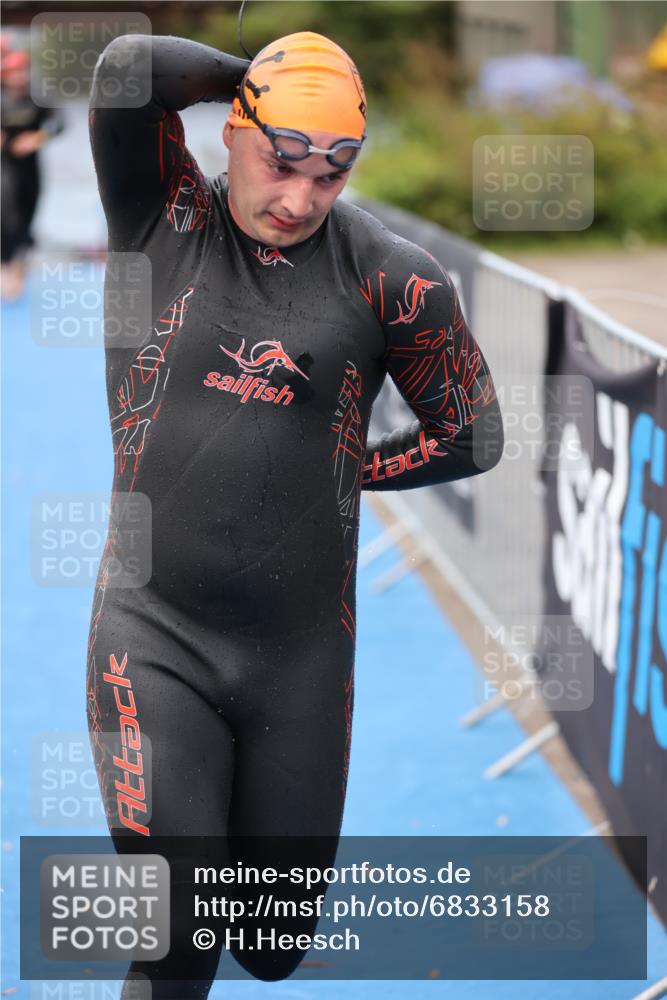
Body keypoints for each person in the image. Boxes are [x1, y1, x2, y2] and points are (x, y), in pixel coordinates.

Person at [86, 30, 504, 997]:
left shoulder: (393, 280)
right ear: (234, 133)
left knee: (268, 947)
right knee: (175, 926)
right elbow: (123, 74)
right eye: (280, 162)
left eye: (332, 175)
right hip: (153, 634)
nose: (298, 201)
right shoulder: (164, 218)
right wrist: (269, 76)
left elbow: (470, 435)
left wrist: (348, 471)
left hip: (301, 660)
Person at [0, 38, 64, 300]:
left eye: (21, 71)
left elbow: (59, 123)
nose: (18, 77)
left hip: (31, 169)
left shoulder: (37, 97)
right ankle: (5, 267)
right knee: (6, 217)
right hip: (4, 170)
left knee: (27, 217)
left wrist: (36, 139)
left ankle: (18, 268)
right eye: (12, 72)